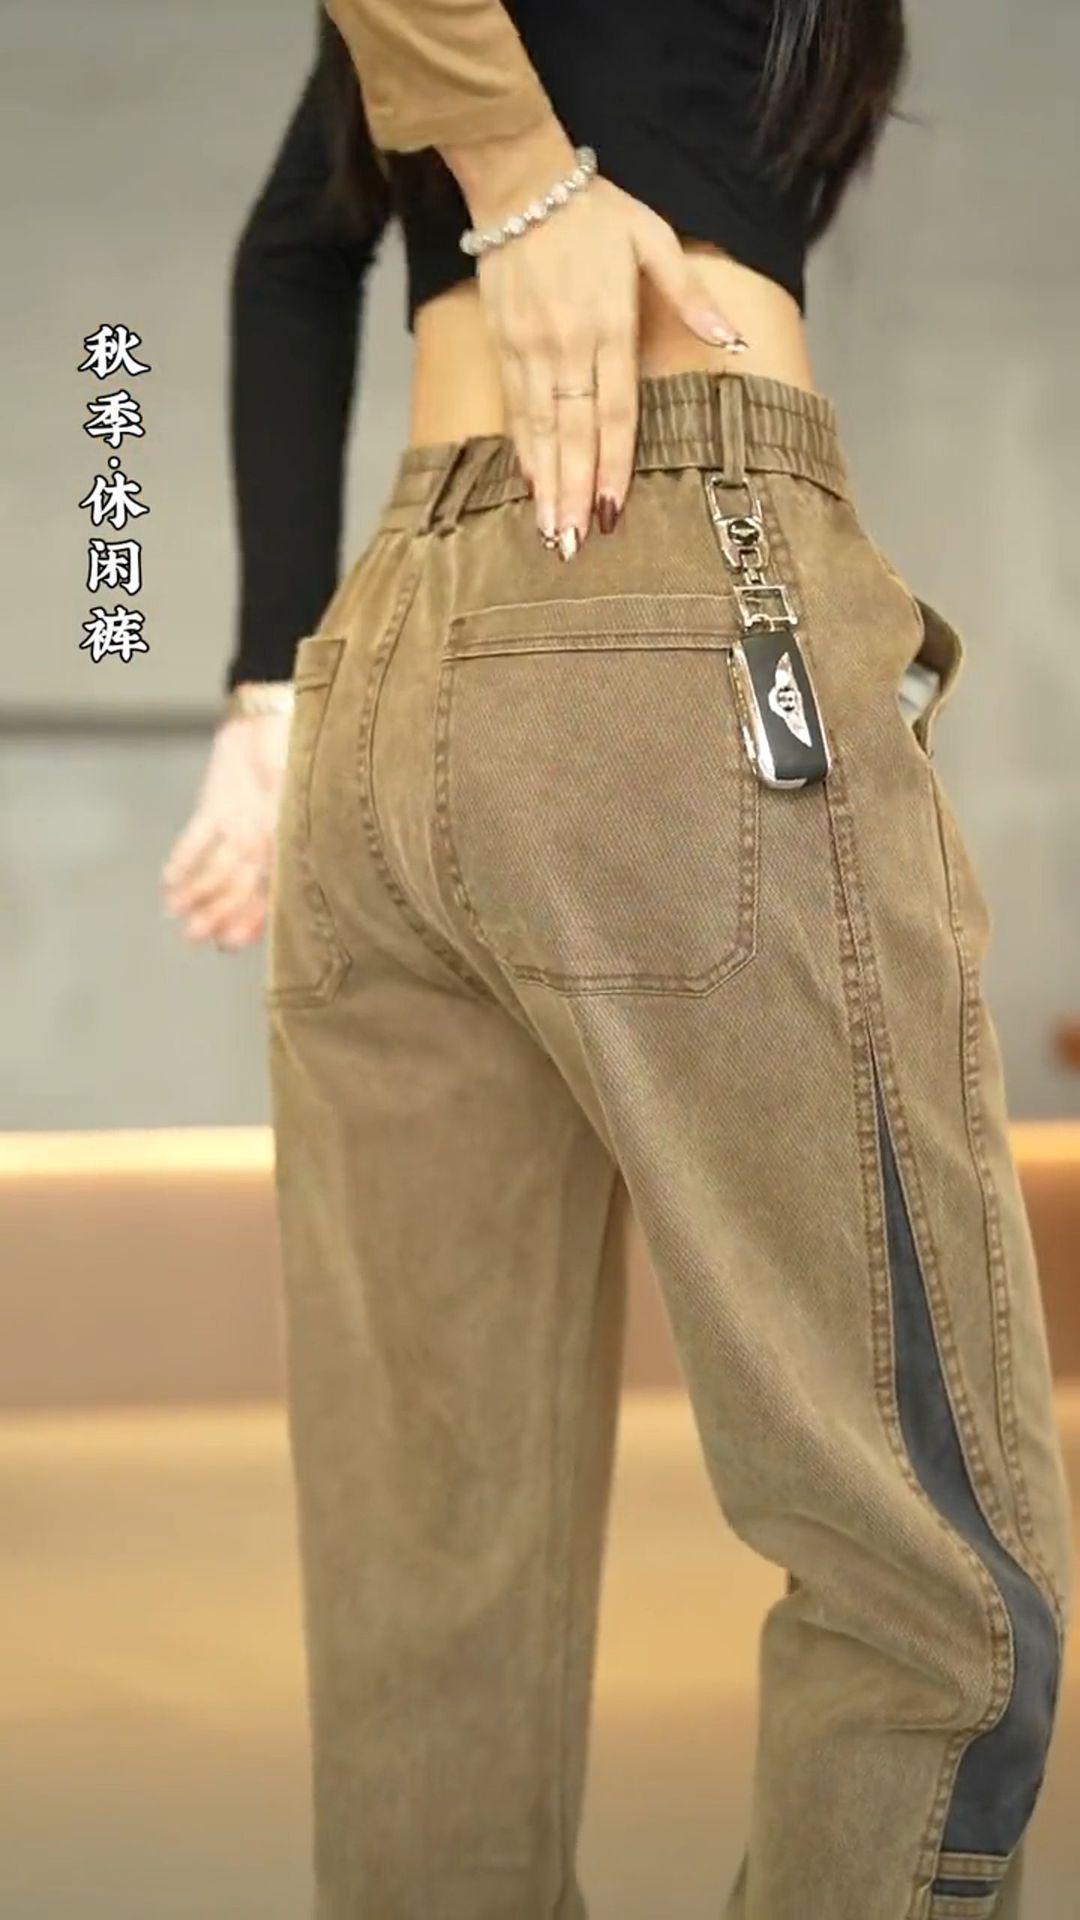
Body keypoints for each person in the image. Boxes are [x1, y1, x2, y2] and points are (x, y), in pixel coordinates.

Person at [261, 5, 1074, 1918]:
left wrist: (242, 689)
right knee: (932, 1592)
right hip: (669, 566)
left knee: (429, 1598)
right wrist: (523, 173)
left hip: (381, 663)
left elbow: (291, 247)